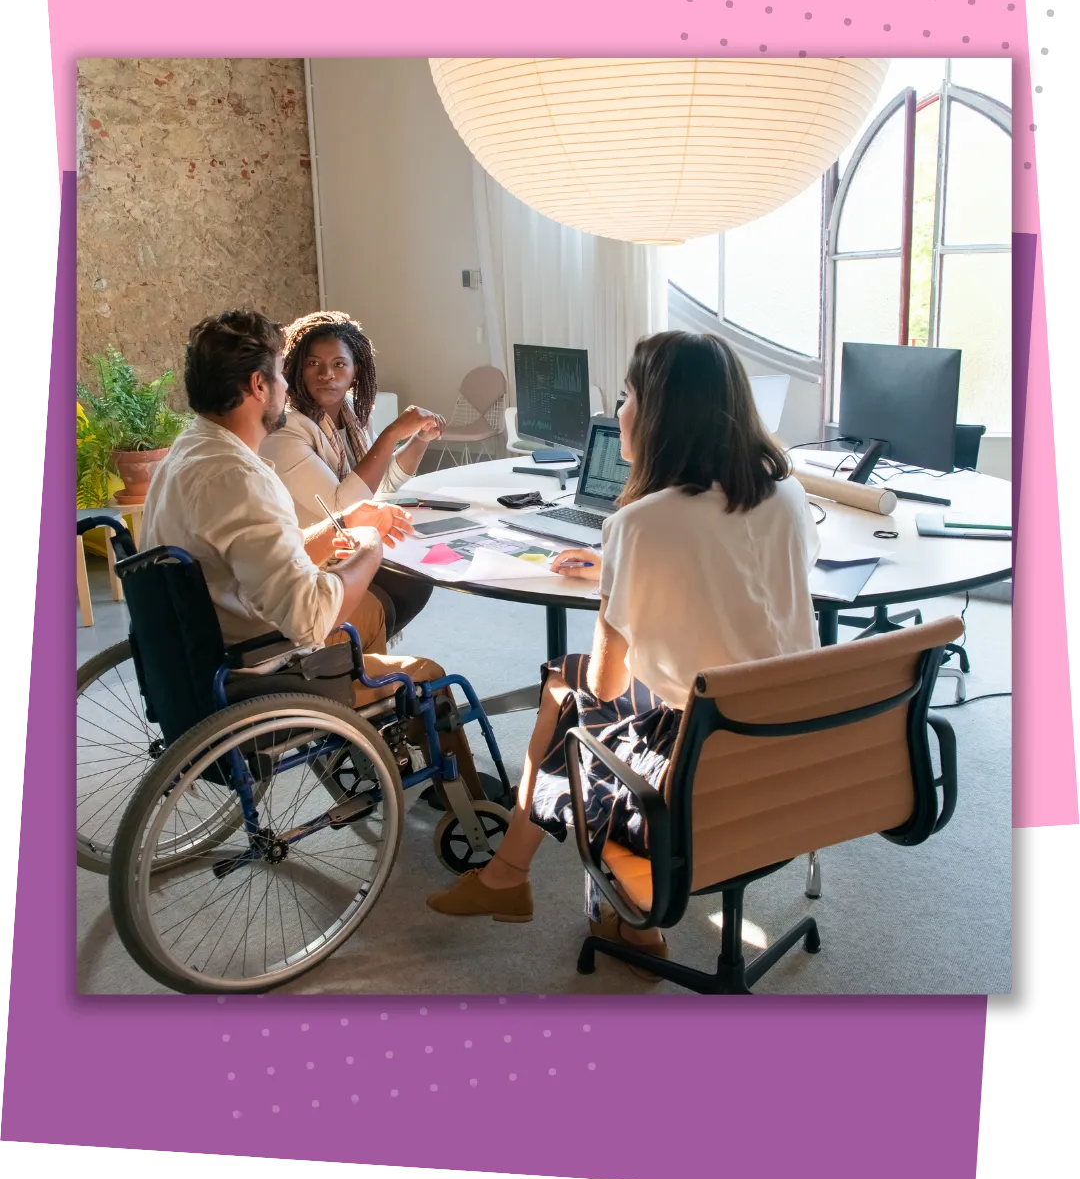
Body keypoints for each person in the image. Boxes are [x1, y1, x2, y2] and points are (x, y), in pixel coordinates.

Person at [425, 331, 822, 980]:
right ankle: (538, 885)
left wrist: (620, 576)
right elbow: (749, 595)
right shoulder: (788, 495)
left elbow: (609, 681)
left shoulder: (641, 525)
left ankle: (538, 882)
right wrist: (621, 575)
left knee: (569, 688)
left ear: (661, 414)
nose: (618, 413)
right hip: (786, 735)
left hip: (698, 752)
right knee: (571, 687)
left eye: (628, 396)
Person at [141, 309, 485, 797]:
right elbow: (308, 618)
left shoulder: (189, 451)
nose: (288, 385)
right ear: (260, 385)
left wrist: (343, 524)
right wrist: (366, 546)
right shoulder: (244, 478)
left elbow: (248, 555)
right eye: (284, 373)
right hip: (261, 668)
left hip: (196, 649)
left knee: (378, 600)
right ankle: (469, 811)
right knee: (426, 672)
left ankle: (379, 747)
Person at [261, 310, 445, 647]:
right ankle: (344, 656)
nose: (326, 375)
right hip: (310, 560)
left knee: (417, 576)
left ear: (356, 369)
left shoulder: (351, 412)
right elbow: (343, 506)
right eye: (313, 364)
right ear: (296, 367)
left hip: (345, 545)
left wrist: (419, 440)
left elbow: (381, 485)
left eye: (338, 365)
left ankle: (357, 655)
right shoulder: (286, 428)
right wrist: (391, 434)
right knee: (402, 583)